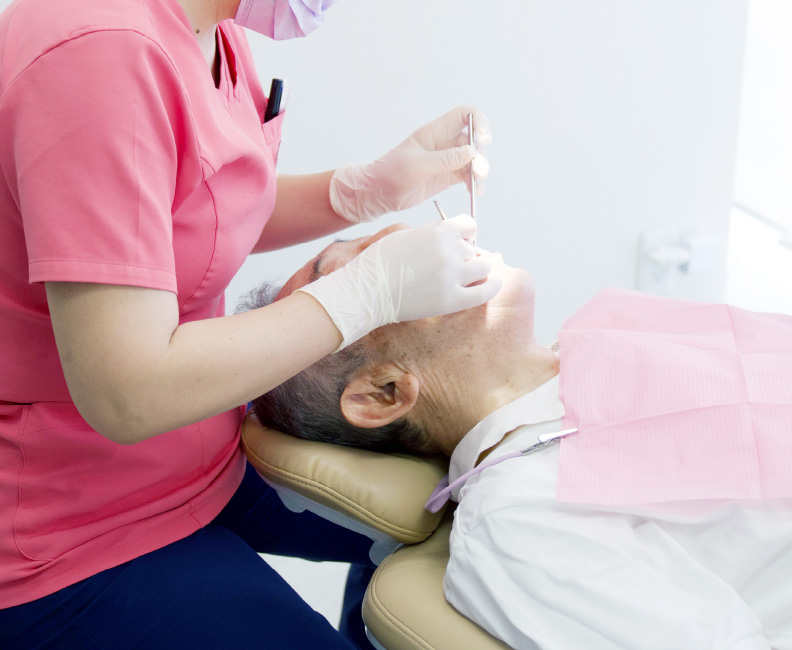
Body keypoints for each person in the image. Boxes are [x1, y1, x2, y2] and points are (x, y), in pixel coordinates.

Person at [0, 0, 505, 647]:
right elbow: (127, 392)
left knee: (465, 518)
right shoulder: (97, 54)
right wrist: (365, 294)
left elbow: (188, 210)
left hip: (196, 449)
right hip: (62, 533)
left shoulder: (206, 24)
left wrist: (360, 192)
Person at [247, 228, 792, 649]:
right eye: (361, 270)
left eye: (373, 234)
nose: (403, 235)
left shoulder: (605, 343)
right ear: (383, 393)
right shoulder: (521, 519)